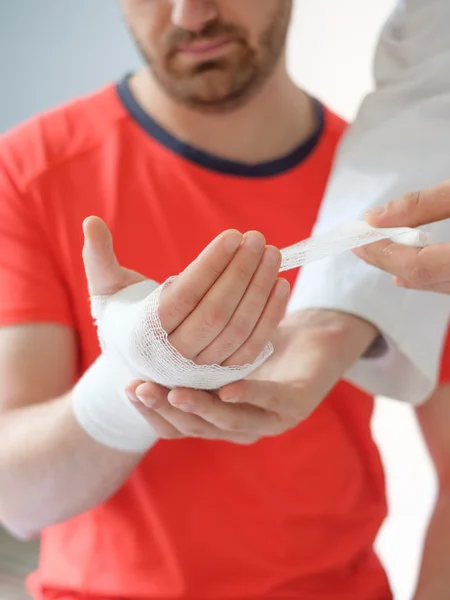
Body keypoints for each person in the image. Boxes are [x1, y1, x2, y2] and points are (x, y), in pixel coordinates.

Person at [0, 2, 448, 600]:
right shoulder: (27, 173)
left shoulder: (404, 205)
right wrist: (134, 374)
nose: (191, 15)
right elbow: (15, 500)